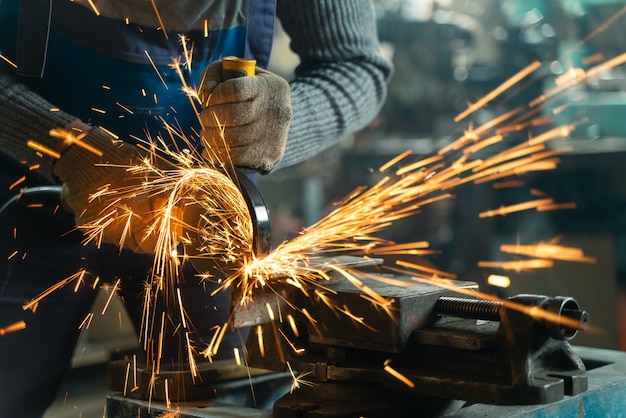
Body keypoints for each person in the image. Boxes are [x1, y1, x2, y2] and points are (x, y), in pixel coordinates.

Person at [0, 0, 392, 416]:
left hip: (205, 226)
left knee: (221, 404)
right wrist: (63, 145)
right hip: (27, 203)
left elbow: (355, 67)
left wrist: (280, 125)